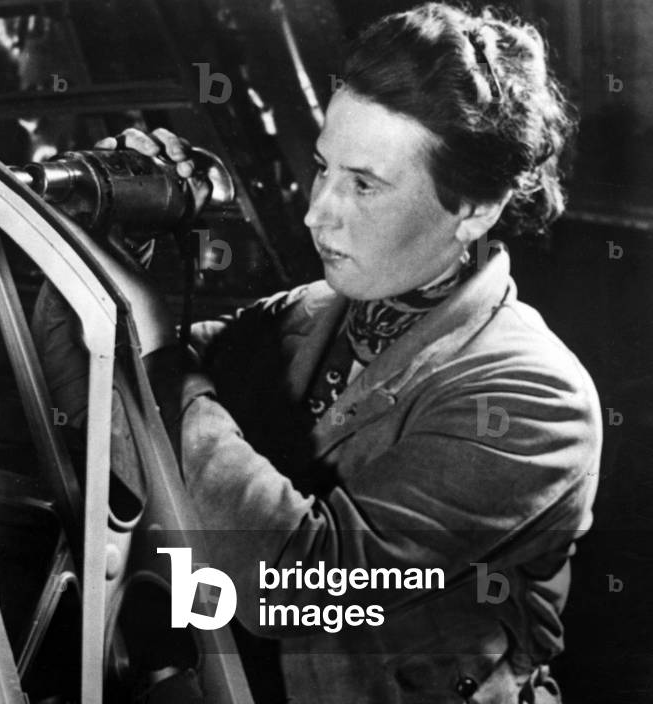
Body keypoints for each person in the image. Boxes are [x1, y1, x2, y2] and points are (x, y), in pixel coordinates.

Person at [32, 3, 600, 702]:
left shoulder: (530, 399)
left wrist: (152, 344)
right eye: (322, 167)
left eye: (363, 185)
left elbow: (297, 588)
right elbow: (96, 396)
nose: (316, 210)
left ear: (476, 207)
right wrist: (105, 243)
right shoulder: (302, 317)